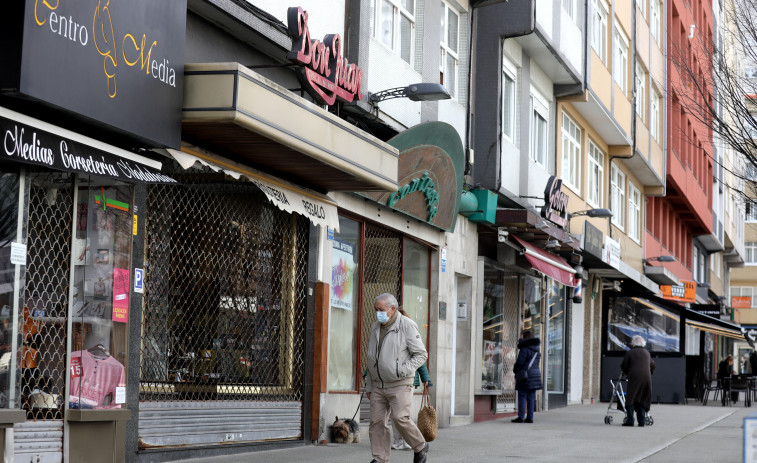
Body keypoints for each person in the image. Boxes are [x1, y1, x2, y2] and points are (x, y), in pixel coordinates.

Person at [365, 293, 430, 463]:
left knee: (400, 419)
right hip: (379, 385)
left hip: (400, 383)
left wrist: (403, 370)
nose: (377, 312)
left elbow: (421, 354)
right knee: (377, 422)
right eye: (376, 309)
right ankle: (380, 458)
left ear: (392, 309)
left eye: (381, 309)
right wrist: (370, 385)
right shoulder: (375, 328)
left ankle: (420, 446)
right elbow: (372, 359)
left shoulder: (407, 326)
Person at [392, 308, 433, 451]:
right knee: (396, 414)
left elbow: (421, 360)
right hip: (391, 380)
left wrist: (425, 378)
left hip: (409, 381)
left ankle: (411, 441)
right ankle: (398, 440)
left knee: (402, 415)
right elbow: (380, 359)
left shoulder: (410, 336)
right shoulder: (391, 338)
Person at [620, 335, 655, 427]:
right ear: (643, 344)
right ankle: (641, 421)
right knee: (642, 397)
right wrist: (649, 373)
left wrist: (625, 372)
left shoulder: (630, 353)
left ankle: (630, 420)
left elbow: (624, 365)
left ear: (633, 343)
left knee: (631, 397)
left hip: (635, 377)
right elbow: (652, 365)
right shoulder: (647, 353)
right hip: (647, 377)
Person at [511, 329, 542, 423]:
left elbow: (520, 362)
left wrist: (515, 369)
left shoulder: (525, 349)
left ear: (524, 337)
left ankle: (520, 417)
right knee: (531, 397)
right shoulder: (537, 350)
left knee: (522, 395)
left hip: (526, 375)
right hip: (536, 375)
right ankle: (530, 417)